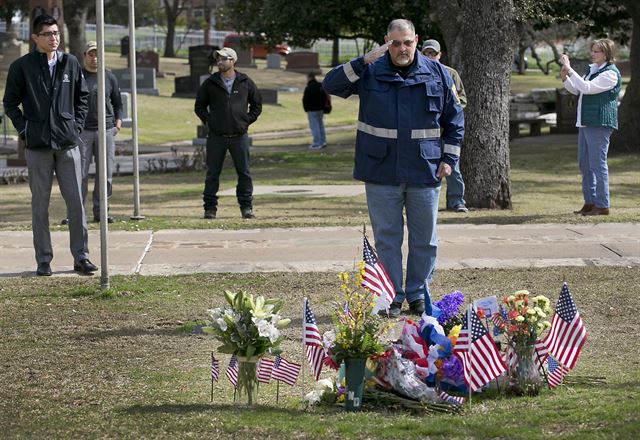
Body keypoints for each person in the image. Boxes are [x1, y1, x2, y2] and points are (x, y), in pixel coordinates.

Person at [323, 19, 464, 317]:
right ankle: (391, 297)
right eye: (396, 43)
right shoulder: (371, 70)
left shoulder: (438, 73)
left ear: (416, 40)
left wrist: (449, 160)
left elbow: (455, 121)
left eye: (407, 42)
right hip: (381, 169)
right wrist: (362, 61)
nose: (402, 48)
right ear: (387, 41)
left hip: (425, 169)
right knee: (387, 237)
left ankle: (419, 295)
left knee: (425, 239)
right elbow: (330, 84)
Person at [3, 14, 97, 276]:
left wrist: (76, 126)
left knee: (76, 202)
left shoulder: (70, 62)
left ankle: (81, 256)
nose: (54, 38)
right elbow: (10, 103)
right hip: (38, 147)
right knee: (40, 205)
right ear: (35, 38)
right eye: (48, 34)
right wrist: (25, 129)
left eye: (56, 33)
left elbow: (82, 97)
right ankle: (43, 259)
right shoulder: (22, 66)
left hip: (68, 144)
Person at [194, 47, 262, 220]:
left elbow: (257, 105)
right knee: (212, 174)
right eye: (218, 59)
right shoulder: (210, 83)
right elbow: (199, 106)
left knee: (244, 173)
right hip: (217, 137)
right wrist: (209, 122)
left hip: (239, 136)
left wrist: (245, 121)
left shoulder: (245, 81)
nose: (219, 62)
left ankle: (246, 208)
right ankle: (210, 209)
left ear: (233, 61)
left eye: (223, 59)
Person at [62, 41, 123, 225]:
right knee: (78, 174)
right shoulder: (76, 76)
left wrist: (117, 124)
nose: (94, 58)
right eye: (91, 54)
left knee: (105, 174)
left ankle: (102, 212)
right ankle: (75, 213)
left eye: (97, 54)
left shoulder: (109, 77)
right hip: (82, 132)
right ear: (85, 56)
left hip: (106, 130)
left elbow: (117, 103)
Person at [560, 39, 621, 216]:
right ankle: (590, 202)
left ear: (607, 54)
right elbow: (578, 90)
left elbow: (587, 88)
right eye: (592, 51)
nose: (593, 54)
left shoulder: (610, 74)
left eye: (597, 51)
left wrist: (570, 68)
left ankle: (602, 205)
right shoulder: (592, 70)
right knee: (585, 164)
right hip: (586, 122)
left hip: (599, 123)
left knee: (597, 165)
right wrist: (565, 76)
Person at [422, 39, 468, 213]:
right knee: (426, 169)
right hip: (425, 132)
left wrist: (448, 112)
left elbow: (461, 99)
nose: (429, 56)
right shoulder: (416, 73)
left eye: (433, 53)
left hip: (447, 130)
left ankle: (456, 201)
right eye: (426, 53)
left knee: (452, 168)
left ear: (440, 55)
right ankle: (426, 205)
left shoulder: (451, 74)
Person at [302, 73, 328, 149]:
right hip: (320, 109)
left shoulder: (309, 87)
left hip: (312, 110)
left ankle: (317, 143)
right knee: (320, 125)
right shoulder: (320, 86)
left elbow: (305, 100)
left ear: (309, 77)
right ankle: (323, 141)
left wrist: (306, 109)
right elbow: (324, 97)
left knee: (314, 127)